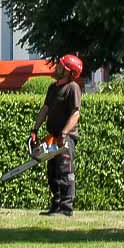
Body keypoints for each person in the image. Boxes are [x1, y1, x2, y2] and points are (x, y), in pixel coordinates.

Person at [30, 54, 84, 216]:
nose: (57, 67)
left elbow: (75, 114)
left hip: (65, 137)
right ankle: (56, 205)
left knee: (65, 171)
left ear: (69, 72)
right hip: (52, 135)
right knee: (52, 172)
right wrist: (35, 129)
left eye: (61, 66)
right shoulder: (53, 88)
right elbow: (45, 109)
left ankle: (66, 208)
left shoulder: (72, 88)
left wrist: (64, 133)